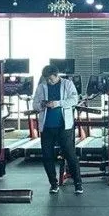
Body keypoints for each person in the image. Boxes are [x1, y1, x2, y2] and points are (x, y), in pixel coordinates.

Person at [32, 64, 83, 194]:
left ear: (57, 75)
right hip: (47, 127)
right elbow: (35, 105)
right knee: (47, 156)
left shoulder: (67, 84)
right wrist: (42, 105)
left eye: (51, 79)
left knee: (70, 155)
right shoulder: (41, 87)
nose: (49, 81)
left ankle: (78, 184)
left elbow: (74, 99)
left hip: (64, 127)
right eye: (47, 79)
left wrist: (58, 103)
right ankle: (53, 184)